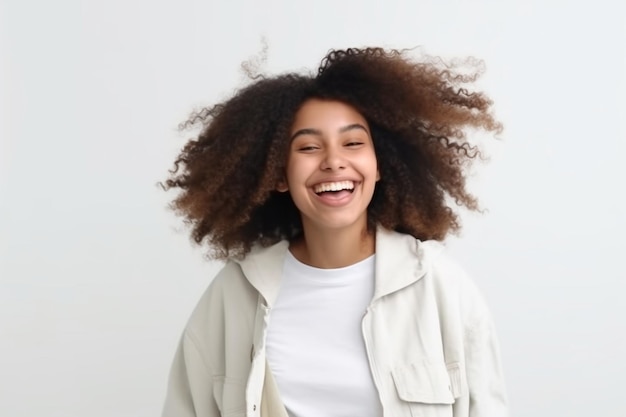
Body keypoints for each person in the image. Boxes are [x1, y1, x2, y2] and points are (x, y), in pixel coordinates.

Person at [161, 47, 508, 417]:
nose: (333, 161)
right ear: (278, 174)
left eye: (353, 143)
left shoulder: (438, 284)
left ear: (379, 165)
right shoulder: (237, 293)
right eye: (309, 147)